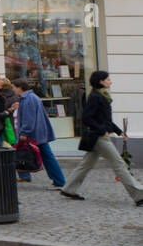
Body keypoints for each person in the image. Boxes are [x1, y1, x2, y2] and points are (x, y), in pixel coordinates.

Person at [60, 71, 143, 206]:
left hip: (99, 136)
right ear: (101, 81)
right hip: (99, 137)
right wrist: (102, 130)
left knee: (86, 164)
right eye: (108, 79)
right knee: (119, 164)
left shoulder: (102, 95)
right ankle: (139, 195)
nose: (110, 81)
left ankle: (68, 189)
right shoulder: (94, 97)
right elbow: (86, 117)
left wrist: (119, 131)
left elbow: (105, 119)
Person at [12, 78, 66, 188]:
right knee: (48, 157)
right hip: (38, 133)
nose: (13, 90)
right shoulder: (30, 97)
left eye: (14, 87)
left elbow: (28, 119)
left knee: (48, 157)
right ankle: (58, 180)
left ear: (19, 88)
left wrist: (24, 133)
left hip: (35, 135)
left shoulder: (28, 99)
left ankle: (59, 181)